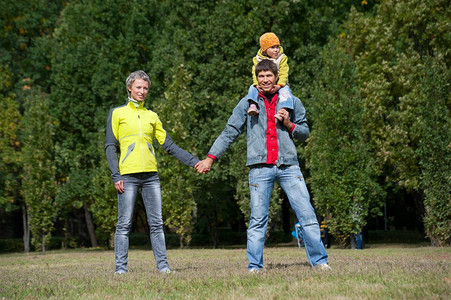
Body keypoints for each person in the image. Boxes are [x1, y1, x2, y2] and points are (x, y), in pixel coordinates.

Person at [197, 60, 330, 272]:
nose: (265, 80)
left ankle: (320, 262)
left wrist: (289, 124)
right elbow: (230, 131)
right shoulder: (247, 103)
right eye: (261, 76)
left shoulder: (292, 101)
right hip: (259, 168)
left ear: (277, 77)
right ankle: (254, 267)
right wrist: (210, 158)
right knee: (258, 219)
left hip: (289, 166)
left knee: (307, 215)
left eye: (269, 76)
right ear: (256, 79)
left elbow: (304, 133)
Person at [105, 70, 202, 274]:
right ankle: (121, 269)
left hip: (151, 176)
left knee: (157, 223)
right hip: (127, 176)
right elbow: (110, 146)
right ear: (130, 88)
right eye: (139, 87)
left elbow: (169, 145)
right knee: (124, 224)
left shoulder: (152, 116)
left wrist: (193, 161)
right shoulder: (117, 113)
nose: (142, 91)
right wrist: (116, 175)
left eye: (146, 88)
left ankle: (164, 267)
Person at [247, 32, 293, 122]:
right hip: (262, 84)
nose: (276, 50)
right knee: (252, 88)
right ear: (264, 50)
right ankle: (253, 105)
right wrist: (257, 84)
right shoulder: (257, 59)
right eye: (272, 48)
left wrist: (280, 85)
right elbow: (254, 72)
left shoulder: (282, 58)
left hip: (280, 83)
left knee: (286, 92)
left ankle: (283, 110)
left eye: (277, 47)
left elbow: (284, 72)